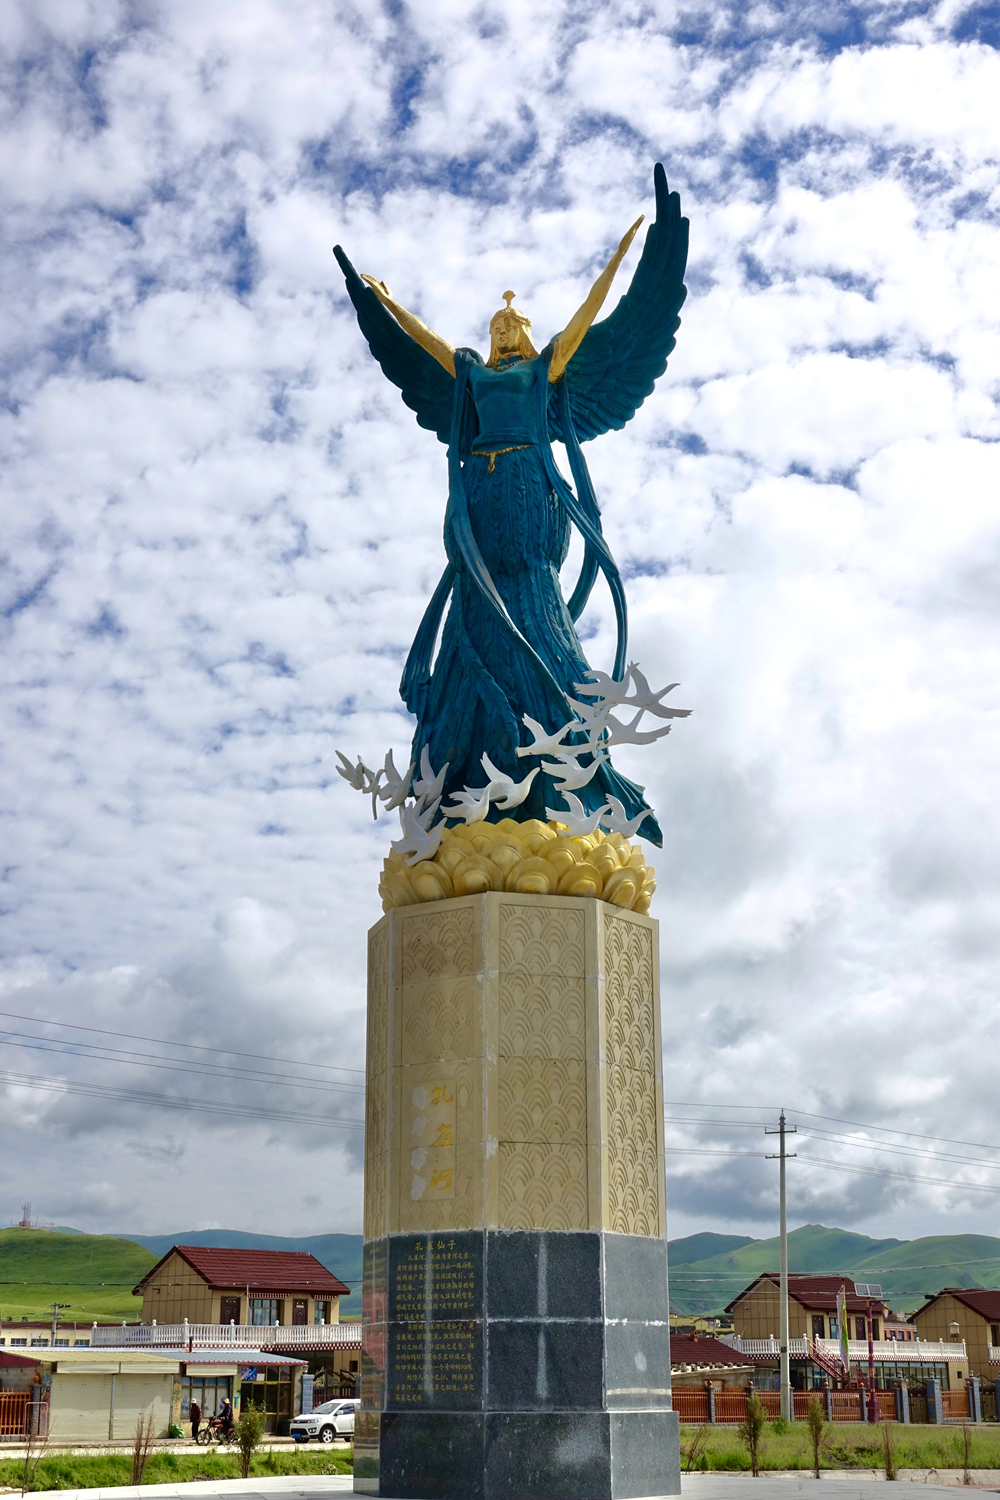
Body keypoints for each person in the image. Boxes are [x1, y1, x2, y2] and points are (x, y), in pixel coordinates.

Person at [334, 164, 689, 845]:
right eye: (496, 326)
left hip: (528, 487)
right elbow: (426, 345)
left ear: (523, 333)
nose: (501, 333)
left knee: (529, 591)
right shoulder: (470, 372)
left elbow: (588, 321)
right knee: (477, 599)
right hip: (482, 491)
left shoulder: (543, 368)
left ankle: (561, 756)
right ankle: (467, 762)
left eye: (511, 326)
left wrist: (620, 260)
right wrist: (385, 300)